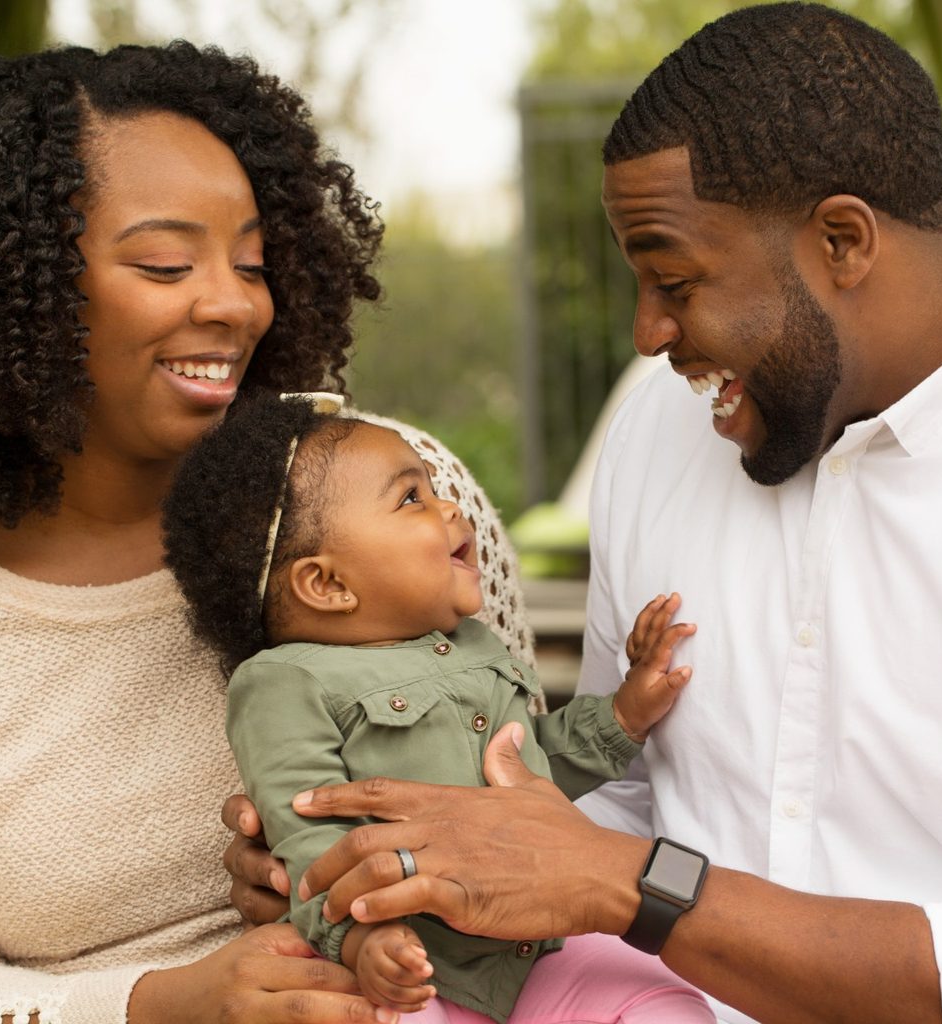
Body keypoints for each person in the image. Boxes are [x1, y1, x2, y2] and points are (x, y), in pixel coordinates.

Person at [225, 4, 942, 1024]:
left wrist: (633, 884)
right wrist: (376, 858)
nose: (648, 335)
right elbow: (601, 805)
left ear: (842, 240)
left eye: (675, 280)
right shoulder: (659, 428)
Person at [0, 40, 535, 1024]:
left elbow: (521, 782)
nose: (234, 303)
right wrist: (156, 1003)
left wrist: (354, 872)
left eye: (251, 260)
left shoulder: (394, 494)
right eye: (166, 263)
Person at [160, 388, 714, 1024]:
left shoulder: (473, 643)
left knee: (659, 1001)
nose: (450, 507)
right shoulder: (284, 683)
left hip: (538, 952)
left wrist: (623, 715)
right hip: (410, 970)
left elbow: (529, 772)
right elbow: (309, 836)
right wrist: (362, 939)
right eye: (411, 498)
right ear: (327, 583)